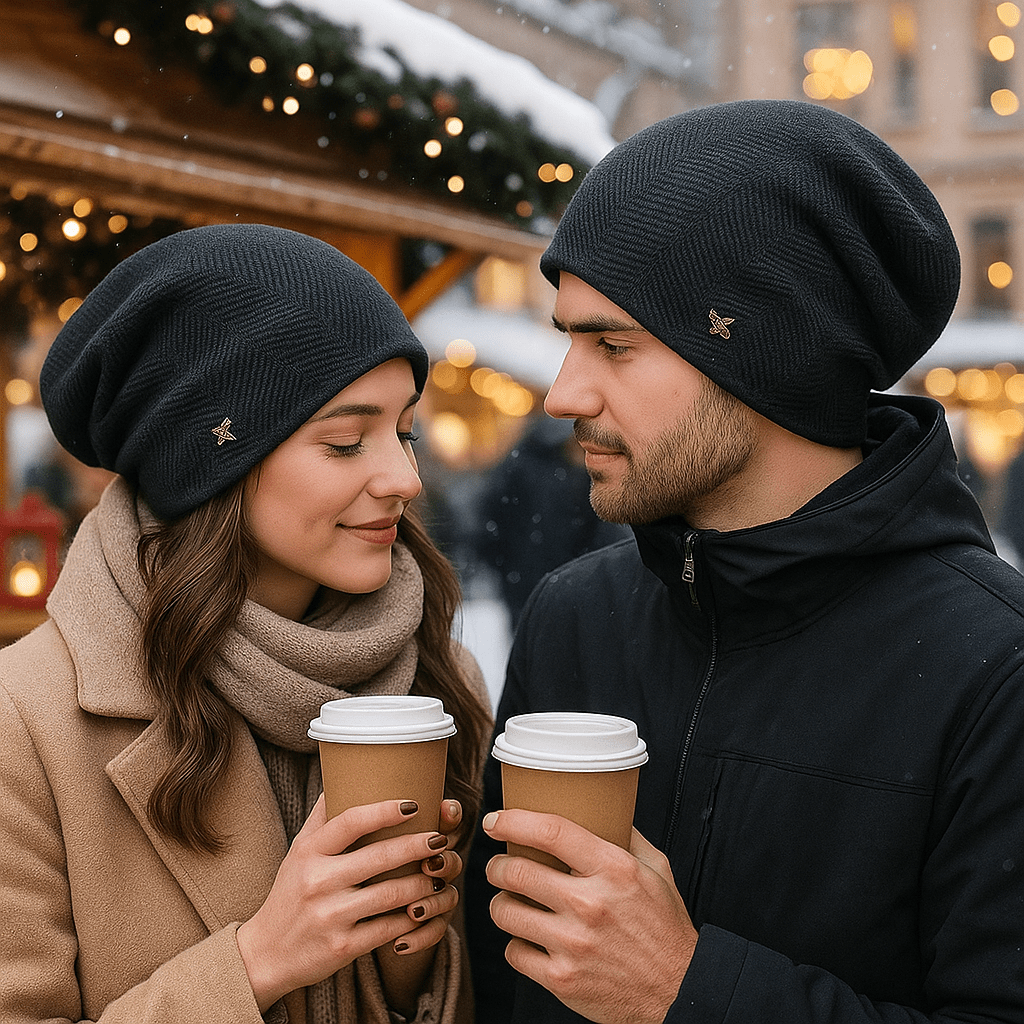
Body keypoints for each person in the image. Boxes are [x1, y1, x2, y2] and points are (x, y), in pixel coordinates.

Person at [464, 100, 1024, 1024]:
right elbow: (497, 982)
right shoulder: (575, 616)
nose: (563, 395)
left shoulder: (995, 670)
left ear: (765, 356)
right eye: (569, 340)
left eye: (613, 345)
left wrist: (686, 990)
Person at [0, 223, 493, 1024]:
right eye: (345, 442)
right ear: (212, 462)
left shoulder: (438, 681)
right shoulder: (24, 723)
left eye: (404, 431)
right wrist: (261, 960)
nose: (405, 478)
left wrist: (407, 968)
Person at [474, 416, 628, 626]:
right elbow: (491, 523)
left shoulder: (522, 466)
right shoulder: (540, 472)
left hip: (540, 579)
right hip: (537, 579)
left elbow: (490, 521)